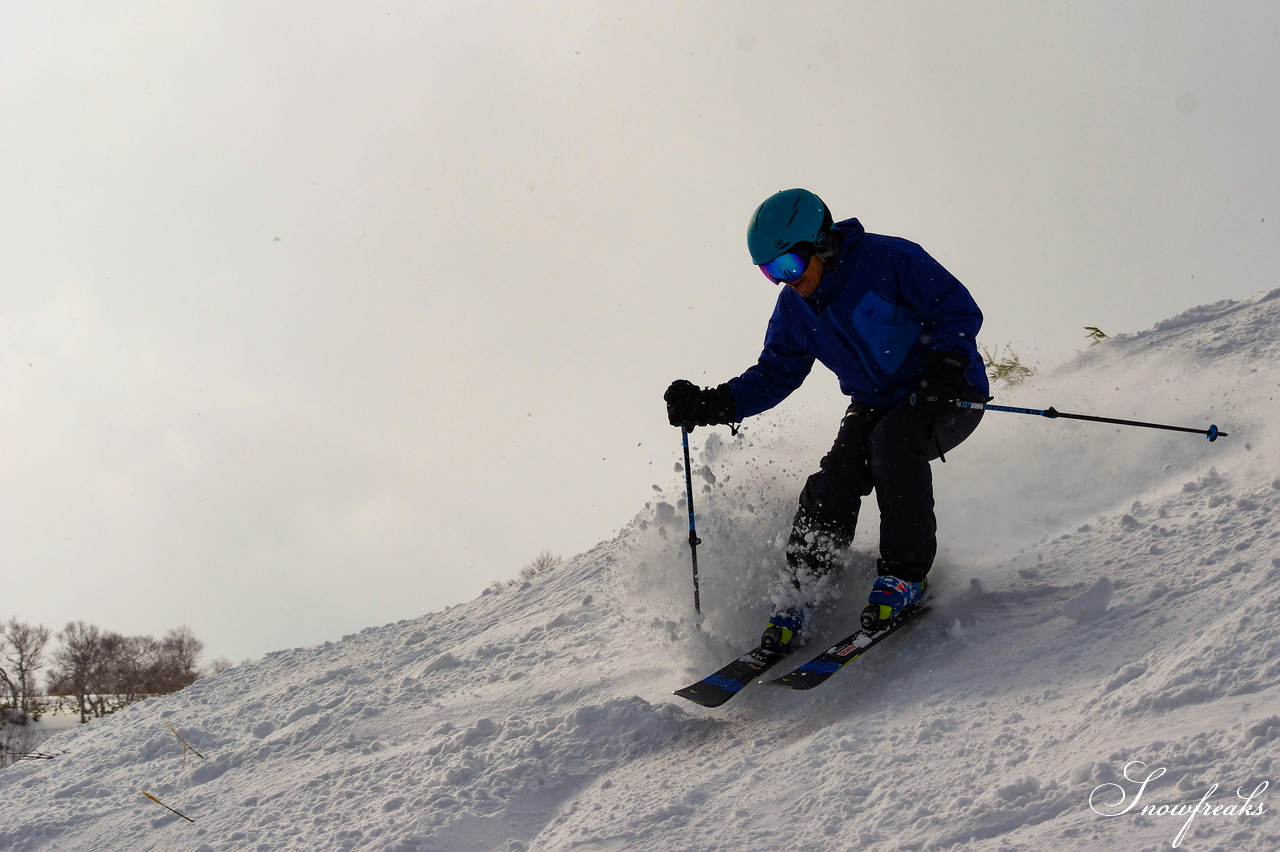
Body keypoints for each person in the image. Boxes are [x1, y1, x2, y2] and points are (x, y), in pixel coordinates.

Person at [664, 188, 988, 652]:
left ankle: (904, 577)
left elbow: (956, 308)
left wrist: (947, 365)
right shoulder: (794, 309)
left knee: (892, 446)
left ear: (821, 243)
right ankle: (802, 587)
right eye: (770, 272)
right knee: (836, 475)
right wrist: (713, 404)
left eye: (790, 267)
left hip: (945, 389)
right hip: (874, 400)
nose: (785, 281)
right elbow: (775, 374)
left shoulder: (888, 258)